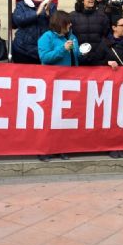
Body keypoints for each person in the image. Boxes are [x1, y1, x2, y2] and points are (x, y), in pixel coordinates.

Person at [92, 17, 123, 159]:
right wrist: (107, 62)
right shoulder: (105, 44)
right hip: (109, 88)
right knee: (111, 117)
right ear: (114, 28)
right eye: (122, 25)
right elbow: (95, 61)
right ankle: (111, 146)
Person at [37, 10, 80, 161]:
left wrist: (80, 51)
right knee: (49, 117)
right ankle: (44, 150)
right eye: (67, 22)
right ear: (59, 23)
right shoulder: (46, 37)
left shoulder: (71, 36)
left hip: (69, 82)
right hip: (52, 82)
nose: (70, 25)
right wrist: (63, 49)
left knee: (64, 117)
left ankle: (61, 147)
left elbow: (77, 55)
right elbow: (45, 57)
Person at [12, 0, 56, 64]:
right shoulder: (21, 5)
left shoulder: (51, 6)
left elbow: (56, 26)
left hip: (44, 50)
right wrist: (36, 13)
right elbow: (18, 21)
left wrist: (48, 14)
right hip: (22, 50)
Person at [69, 0, 110, 65]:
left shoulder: (102, 16)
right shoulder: (72, 16)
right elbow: (69, 37)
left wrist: (99, 52)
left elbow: (107, 37)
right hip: (78, 59)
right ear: (81, 0)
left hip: (98, 59)